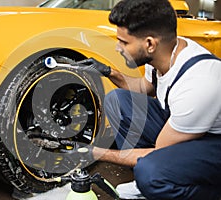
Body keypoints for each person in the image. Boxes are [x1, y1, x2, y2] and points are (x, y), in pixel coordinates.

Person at [77, 0, 221, 199]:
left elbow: (158, 152)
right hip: (184, 126)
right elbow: (145, 88)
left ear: (150, 44)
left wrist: (95, 153)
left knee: (151, 172)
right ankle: (145, 179)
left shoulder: (199, 82)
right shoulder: (164, 52)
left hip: (213, 144)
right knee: (117, 100)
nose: (118, 48)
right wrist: (109, 72)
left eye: (124, 42)